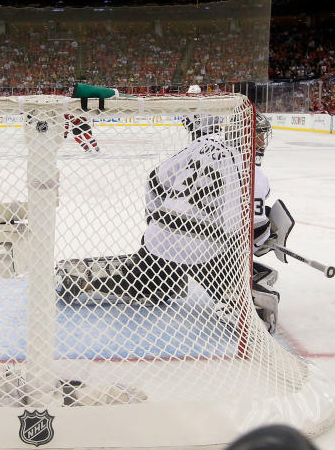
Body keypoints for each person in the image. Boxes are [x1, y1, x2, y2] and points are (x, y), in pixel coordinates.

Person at [51, 113, 280, 330]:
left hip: (160, 240)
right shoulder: (254, 175)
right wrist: (264, 243)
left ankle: (88, 282)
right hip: (205, 251)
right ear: (249, 136)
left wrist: (155, 222)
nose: (261, 140)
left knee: (140, 284)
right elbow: (252, 231)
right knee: (244, 270)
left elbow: (155, 181)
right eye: (259, 134)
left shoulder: (203, 144)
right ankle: (234, 298)